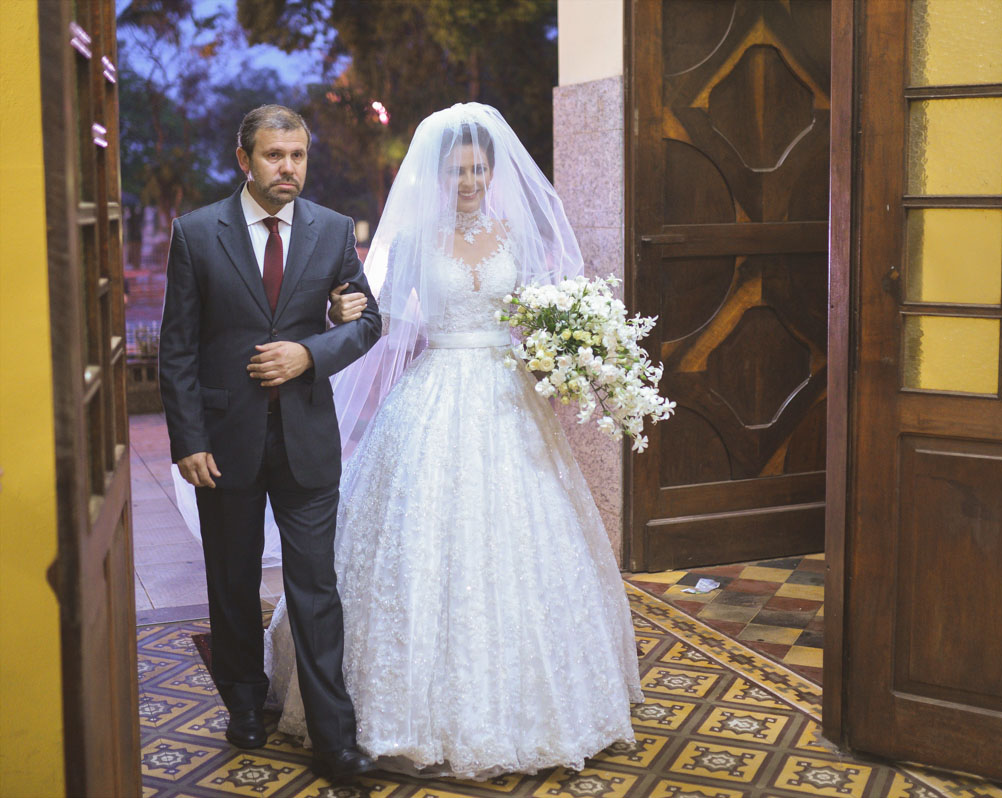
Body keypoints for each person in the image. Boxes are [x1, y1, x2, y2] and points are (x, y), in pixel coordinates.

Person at [265, 103, 643, 779]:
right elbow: (373, 310)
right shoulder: (414, 239)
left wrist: (573, 347)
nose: (467, 180)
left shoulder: (517, 235)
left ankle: (545, 707)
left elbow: (543, 309)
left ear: (492, 172)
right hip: (435, 390)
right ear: (438, 174)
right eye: (457, 169)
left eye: (477, 169)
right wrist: (340, 314)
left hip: (508, 397)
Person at [158, 104, 381, 782]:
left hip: (308, 441)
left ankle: (334, 739)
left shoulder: (334, 231)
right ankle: (244, 704)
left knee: (315, 588)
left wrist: (310, 353)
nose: (288, 168)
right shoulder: (197, 234)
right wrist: (187, 439)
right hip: (224, 443)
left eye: (298, 156)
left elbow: (368, 321)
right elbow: (178, 349)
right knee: (231, 583)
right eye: (274, 156)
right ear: (244, 159)